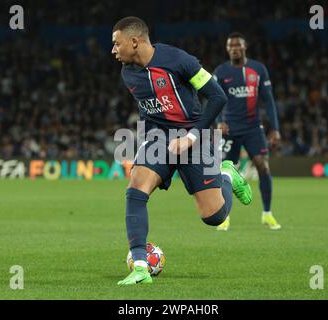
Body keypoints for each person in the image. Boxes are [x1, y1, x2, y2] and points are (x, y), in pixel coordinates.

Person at [111, 17, 252, 285]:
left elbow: (218, 96)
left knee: (214, 217)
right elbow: (149, 109)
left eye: (117, 44)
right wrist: (143, 144)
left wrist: (191, 135)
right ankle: (140, 265)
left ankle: (227, 175)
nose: (113, 50)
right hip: (159, 139)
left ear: (134, 41)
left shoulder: (179, 60)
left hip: (195, 136)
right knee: (135, 189)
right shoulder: (128, 73)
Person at [214, 32, 281, 231]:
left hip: (253, 128)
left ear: (245, 47)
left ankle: (267, 214)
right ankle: (223, 215)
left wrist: (275, 129)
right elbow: (214, 98)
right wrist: (218, 122)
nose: (234, 48)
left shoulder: (258, 69)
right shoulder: (221, 71)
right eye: (230, 46)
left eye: (237, 45)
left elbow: (268, 100)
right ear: (227, 49)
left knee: (263, 167)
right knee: (224, 171)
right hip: (230, 129)